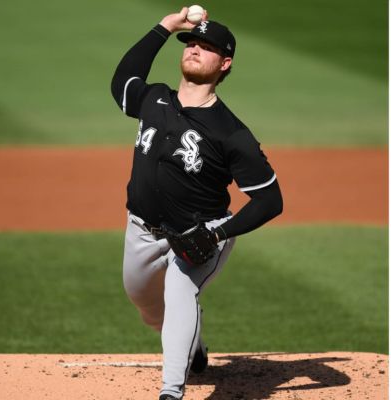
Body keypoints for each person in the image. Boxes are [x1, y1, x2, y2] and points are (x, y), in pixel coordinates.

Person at [110, 8, 283, 400]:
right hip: (140, 229)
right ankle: (195, 341)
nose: (195, 50)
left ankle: (171, 390)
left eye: (207, 48)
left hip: (200, 233)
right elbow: (123, 81)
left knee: (180, 291)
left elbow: (270, 199)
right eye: (192, 44)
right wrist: (166, 27)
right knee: (147, 305)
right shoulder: (154, 98)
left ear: (224, 63)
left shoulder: (232, 133)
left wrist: (217, 232)